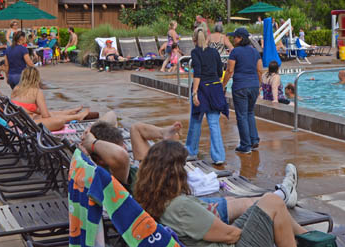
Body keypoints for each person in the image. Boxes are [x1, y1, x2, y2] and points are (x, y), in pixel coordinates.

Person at [134, 140, 309, 247]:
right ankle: (309, 240)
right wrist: (258, 227)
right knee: (272, 202)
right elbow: (231, 235)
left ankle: (308, 239)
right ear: (175, 172)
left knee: (264, 203)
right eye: (183, 167)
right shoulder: (180, 206)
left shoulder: (155, 200)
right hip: (228, 244)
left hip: (214, 239)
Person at [80, 120, 182, 191]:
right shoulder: (114, 170)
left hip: (141, 173)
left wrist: (89, 131)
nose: (125, 148)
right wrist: (91, 143)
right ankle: (167, 140)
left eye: (123, 145)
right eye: (121, 147)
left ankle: (163, 132)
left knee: (136, 128)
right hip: (151, 182)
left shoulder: (102, 158)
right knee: (173, 146)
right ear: (100, 160)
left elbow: (111, 115)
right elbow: (120, 155)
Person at [187, 27, 228, 165]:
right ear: (207, 38)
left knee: (196, 121)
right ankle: (219, 156)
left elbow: (197, 73)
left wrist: (194, 93)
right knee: (214, 123)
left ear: (194, 39)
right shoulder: (214, 52)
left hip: (202, 89)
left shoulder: (195, 52)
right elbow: (220, 71)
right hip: (215, 88)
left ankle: (191, 151)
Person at [222, 28, 264, 155]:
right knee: (250, 112)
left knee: (241, 115)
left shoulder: (235, 52)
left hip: (240, 86)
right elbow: (260, 70)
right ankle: (254, 140)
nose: (233, 39)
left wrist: (222, 85)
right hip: (254, 86)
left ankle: (245, 145)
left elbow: (229, 70)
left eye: (234, 37)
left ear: (240, 38)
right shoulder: (255, 52)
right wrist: (259, 85)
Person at [11, 67, 90, 131]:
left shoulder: (16, 89)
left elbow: (26, 108)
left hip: (17, 121)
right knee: (58, 121)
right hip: (28, 124)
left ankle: (70, 112)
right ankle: (76, 116)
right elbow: (46, 115)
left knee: (49, 114)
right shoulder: (36, 92)